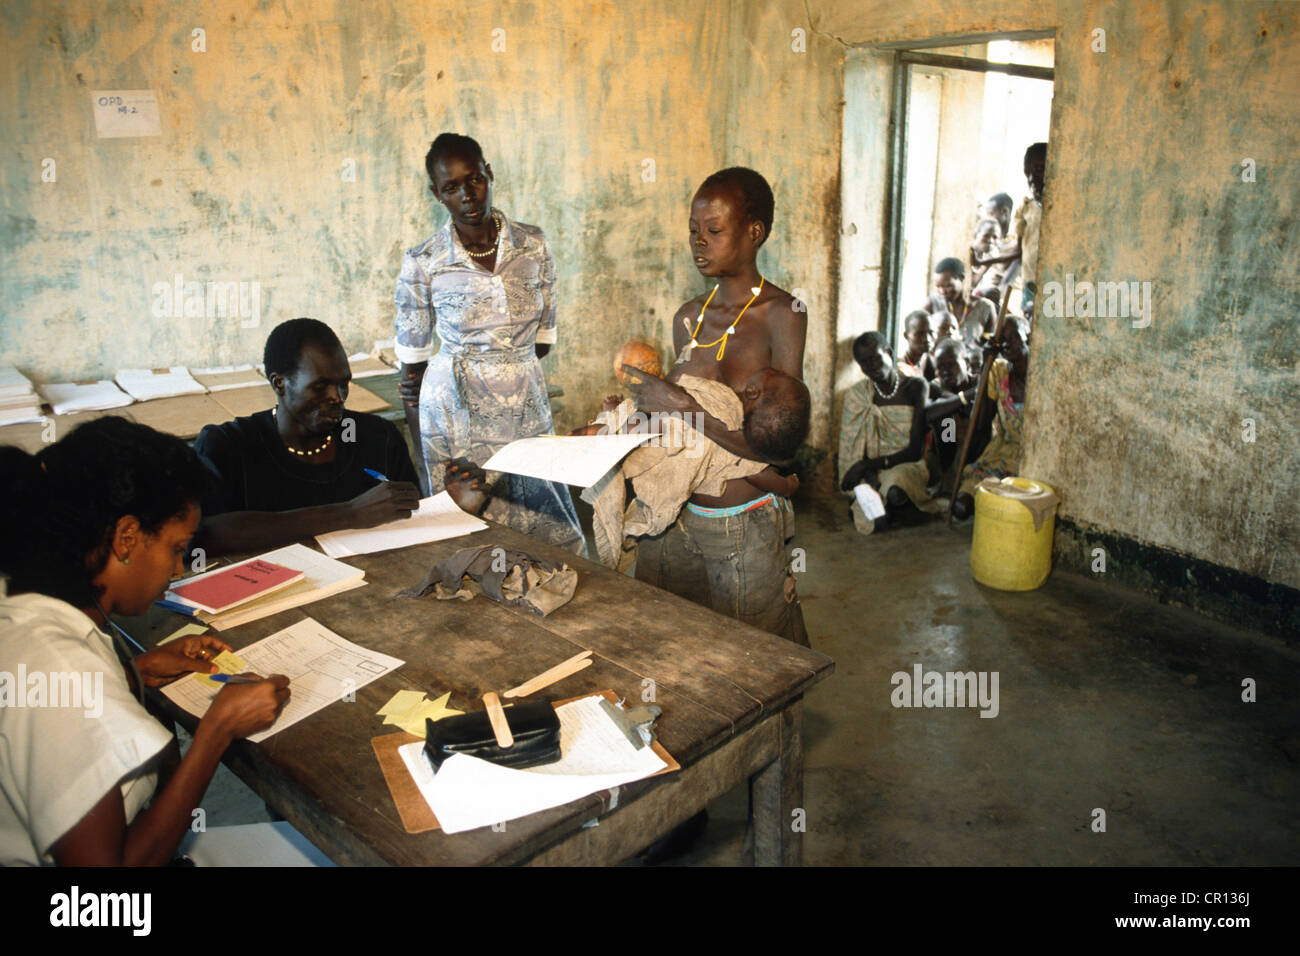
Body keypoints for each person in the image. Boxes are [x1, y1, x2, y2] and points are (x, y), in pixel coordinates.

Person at [0, 418, 291, 865]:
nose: (177, 570)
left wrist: (130, 674)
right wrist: (216, 732)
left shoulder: (25, 606)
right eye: (177, 548)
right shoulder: (64, 667)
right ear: (127, 538)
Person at [623, 167, 809, 646]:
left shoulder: (782, 315)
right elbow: (669, 425)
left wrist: (683, 405)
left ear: (754, 232)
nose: (698, 242)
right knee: (670, 647)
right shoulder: (688, 317)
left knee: (753, 658)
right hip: (671, 517)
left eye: (713, 230)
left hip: (740, 526)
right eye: (693, 230)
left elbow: (782, 448)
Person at [394, 133, 584, 555]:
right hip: (455, 410)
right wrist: (428, 468)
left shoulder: (533, 244)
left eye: (475, 179)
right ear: (436, 194)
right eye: (451, 187)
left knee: (544, 512)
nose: (467, 194)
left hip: (525, 404)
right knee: (468, 526)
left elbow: (542, 342)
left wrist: (506, 368)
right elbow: (412, 373)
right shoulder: (424, 260)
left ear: (489, 173)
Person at [192, 318, 488, 556]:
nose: (337, 397)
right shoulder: (229, 447)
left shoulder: (377, 438)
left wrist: (450, 506)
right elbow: (204, 537)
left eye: (343, 384)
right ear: (280, 384)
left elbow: (408, 521)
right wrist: (348, 514)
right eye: (320, 386)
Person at [580, 369, 807, 571]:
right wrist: (788, 485)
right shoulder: (742, 440)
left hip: (722, 514)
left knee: (662, 427)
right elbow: (762, 477)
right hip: (681, 446)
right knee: (663, 427)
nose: (779, 371)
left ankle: (614, 423)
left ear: (753, 391)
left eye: (780, 375)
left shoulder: (732, 426)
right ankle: (614, 425)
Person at [838, 332, 941, 533]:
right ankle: (881, 506)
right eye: (864, 362)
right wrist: (867, 473)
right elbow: (854, 446)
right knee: (873, 512)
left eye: (875, 358)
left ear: (889, 353)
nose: (871, 367)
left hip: (906, 463)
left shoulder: (916, 387)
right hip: (872, 466)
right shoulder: (859, 396)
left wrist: (865, 465)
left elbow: (915, 451)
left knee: (894, 490)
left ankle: (893, 504)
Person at [952, 317, 1029, 520]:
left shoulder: (1042, 374)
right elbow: (981, 421)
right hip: (1004, 452)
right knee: (961, 506)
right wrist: (986, 367)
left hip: (1033, 459)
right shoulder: (998, 372)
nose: (1008, 343)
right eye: (1002, 339)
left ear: (1027, 336)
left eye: (1014, 337)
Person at [972, 143, 1046, 325]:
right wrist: (984, 263)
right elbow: (1019, 252)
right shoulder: (1026, 208)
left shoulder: (1062, 208)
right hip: (1031, 285)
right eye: (1027, 173)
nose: (1032, 178)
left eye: (1038, 170)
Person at [922, 257, 997, 357]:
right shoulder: (932, 303)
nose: (942, 291)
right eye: (939, 287)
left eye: (947, 285)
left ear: (961, 278)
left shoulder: (985, 307)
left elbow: (991, 346)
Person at [898, 310, 936, 381]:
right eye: (920, 333)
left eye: (931, 333)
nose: (927, 339)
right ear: (906, 336)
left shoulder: (934, 364)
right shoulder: (900, 369)